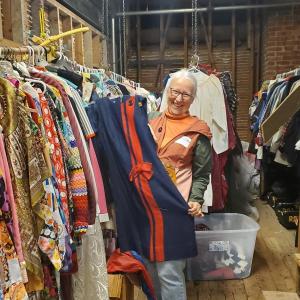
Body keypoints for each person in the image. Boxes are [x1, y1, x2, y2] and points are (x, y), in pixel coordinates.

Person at [147, 69, 212, 300]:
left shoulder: (198, 130)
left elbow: (203, 173)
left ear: (193, 99)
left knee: (170, 271)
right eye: (175, 92)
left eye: (186, 95)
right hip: (146, 207)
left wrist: (196, 198)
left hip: (176, 208)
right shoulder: (150, 121)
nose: (178, 99)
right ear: (167, 91)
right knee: (149, 268)